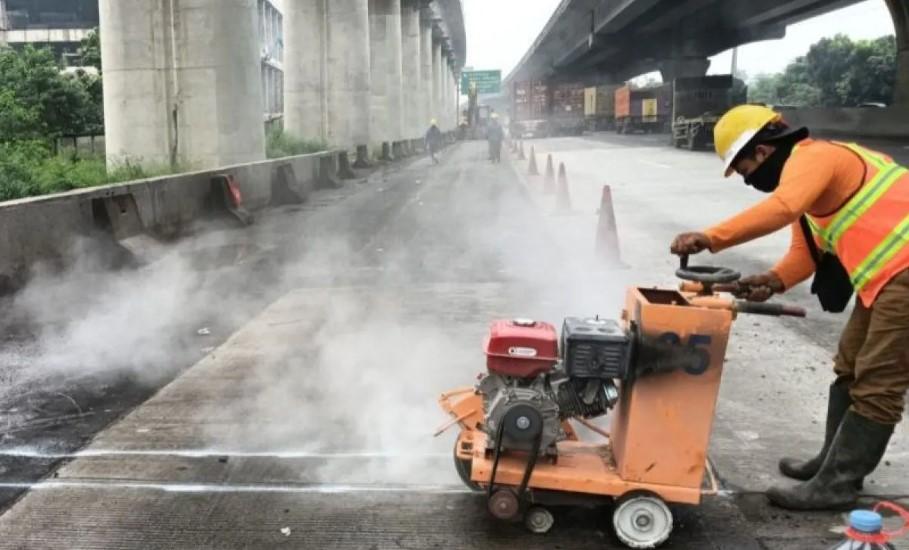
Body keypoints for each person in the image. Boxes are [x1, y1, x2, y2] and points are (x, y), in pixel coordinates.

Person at [670, 104, 909, 511]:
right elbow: (805, 256)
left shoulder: (817, 157)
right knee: (850, 364)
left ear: (763, 152)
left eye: (745, 170)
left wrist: (710, 237)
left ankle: (837, 484)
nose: (749, 181)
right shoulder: (807, 194)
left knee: (878, 381)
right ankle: (830, 463)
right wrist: (771, 280)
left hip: (902, 274)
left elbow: (781, 208)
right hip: (888, 278)